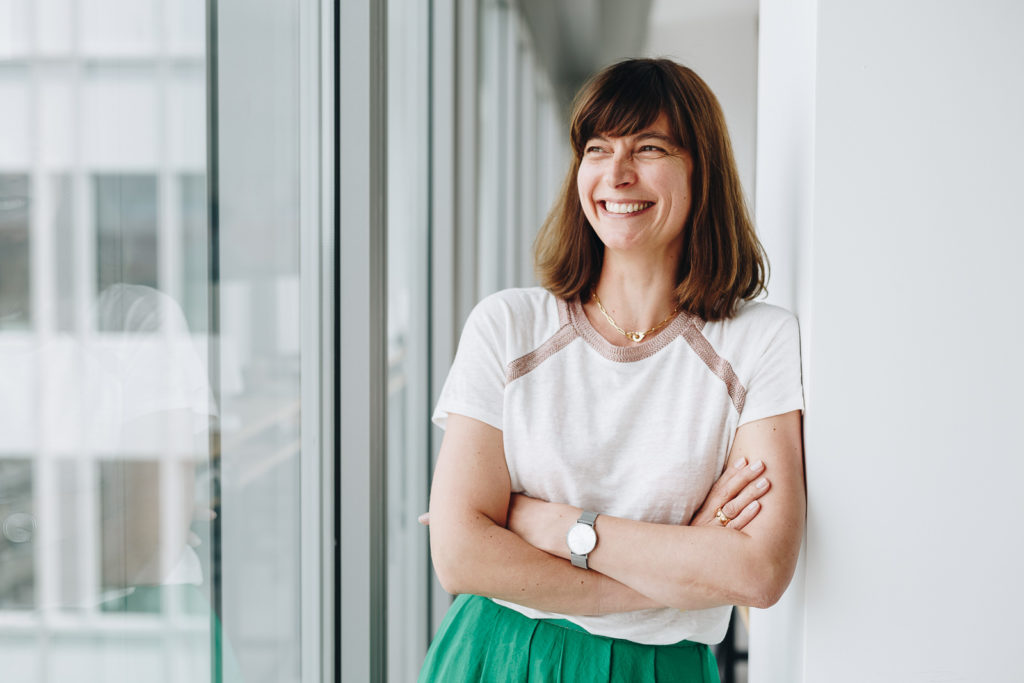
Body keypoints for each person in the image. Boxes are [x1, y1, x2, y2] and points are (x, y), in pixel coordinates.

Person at [420, 58, 805, 682]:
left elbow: (758, 573)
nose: (617, 173)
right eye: (597, 148)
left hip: (659, 669)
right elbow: (460, 557)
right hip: (498, 653)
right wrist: (675, 577)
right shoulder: (508, 325)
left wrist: (546, 523)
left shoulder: (759, 340)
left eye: (649, 148)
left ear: (702, 170)